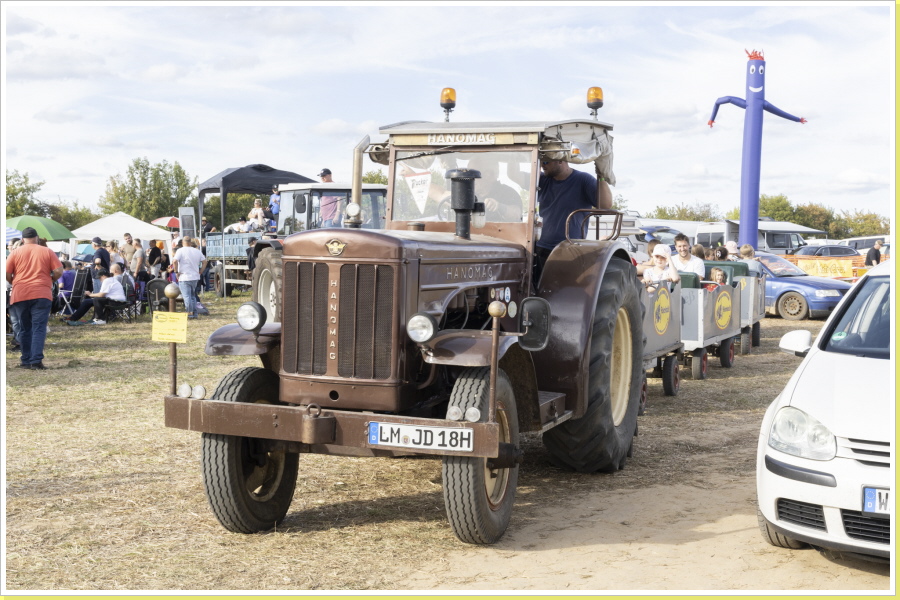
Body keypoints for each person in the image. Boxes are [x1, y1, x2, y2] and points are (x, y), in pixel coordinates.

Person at [530, 158, 611, 279]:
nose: (542, 166)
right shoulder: (542, 180)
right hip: (540, 247)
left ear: (560, 160)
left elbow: (605, 205)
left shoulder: (583, 180)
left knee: (563, 287)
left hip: (569, 249)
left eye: (546, 162)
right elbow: (513, 175)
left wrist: (602, 175)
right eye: (541, 162)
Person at [5, 227, 64, 369]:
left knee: (24, 328)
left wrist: (15, 282)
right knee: (39, 328)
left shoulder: (15, 252)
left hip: (20, 293)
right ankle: (36, 361)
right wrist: (50, 279)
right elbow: (58, 270)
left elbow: (7, 273)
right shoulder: (47, 251)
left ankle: (25, 360)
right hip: (41, 293)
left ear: (22, 239)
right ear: (37, 238)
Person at [468, 155, 522, 222]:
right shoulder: (466, 195)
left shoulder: (508, 193)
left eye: (472, 174)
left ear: (488, 175)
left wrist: (499, 207)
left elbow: (516, 215)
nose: (469, 178)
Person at [172, 236, 208, 319]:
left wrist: (176, 272)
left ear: (183, 242)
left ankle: (189, 313)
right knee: (192, 296)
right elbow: (205, 261)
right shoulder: (197, 251)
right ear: (190, 242)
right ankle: (194, 313)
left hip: (184, 276)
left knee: (187, 296)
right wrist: (201, 271)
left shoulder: (180, 250)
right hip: (195, 276)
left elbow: (175, 261)